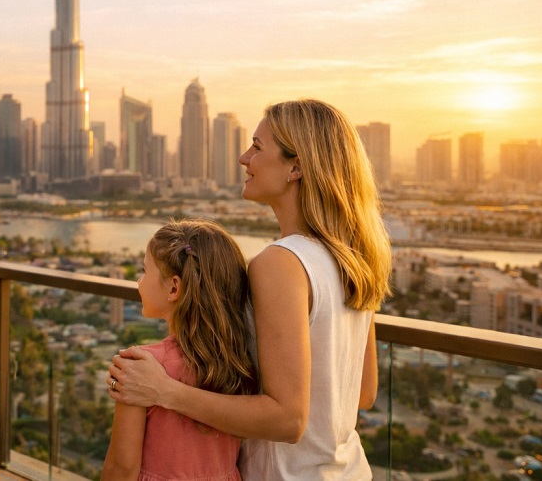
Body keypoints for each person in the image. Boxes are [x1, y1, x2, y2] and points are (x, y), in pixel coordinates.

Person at [108, 99, 391, 480]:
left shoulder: (281, 264)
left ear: (297, 167)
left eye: (257, 147)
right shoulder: (353, 258)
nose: (244, 158)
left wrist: (164, 391)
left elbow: (288, 420)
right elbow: (363, 393)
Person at [102, 219, 257, 481]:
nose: (139, 281)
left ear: (174, 287)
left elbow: (121, 468)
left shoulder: (140, 367)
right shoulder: (238, 359)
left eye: (144, 271)